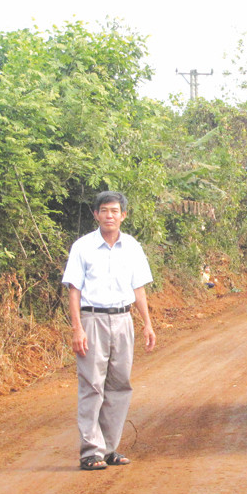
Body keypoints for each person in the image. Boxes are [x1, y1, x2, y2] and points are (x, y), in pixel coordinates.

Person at [62, 191, 156, 471]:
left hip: (123, 319)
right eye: (104, 211)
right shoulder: (83, 247)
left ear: (123, 215)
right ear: (96, 215)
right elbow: (74, 289)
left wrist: (147, 323)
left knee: (119, 384)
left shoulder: (133, 247)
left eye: (115, 211)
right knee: (92, 384)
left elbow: (138, 287)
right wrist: (77, 328)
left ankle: (110, 448)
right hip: (92, 320)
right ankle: (90, 451)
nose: (110, 215)